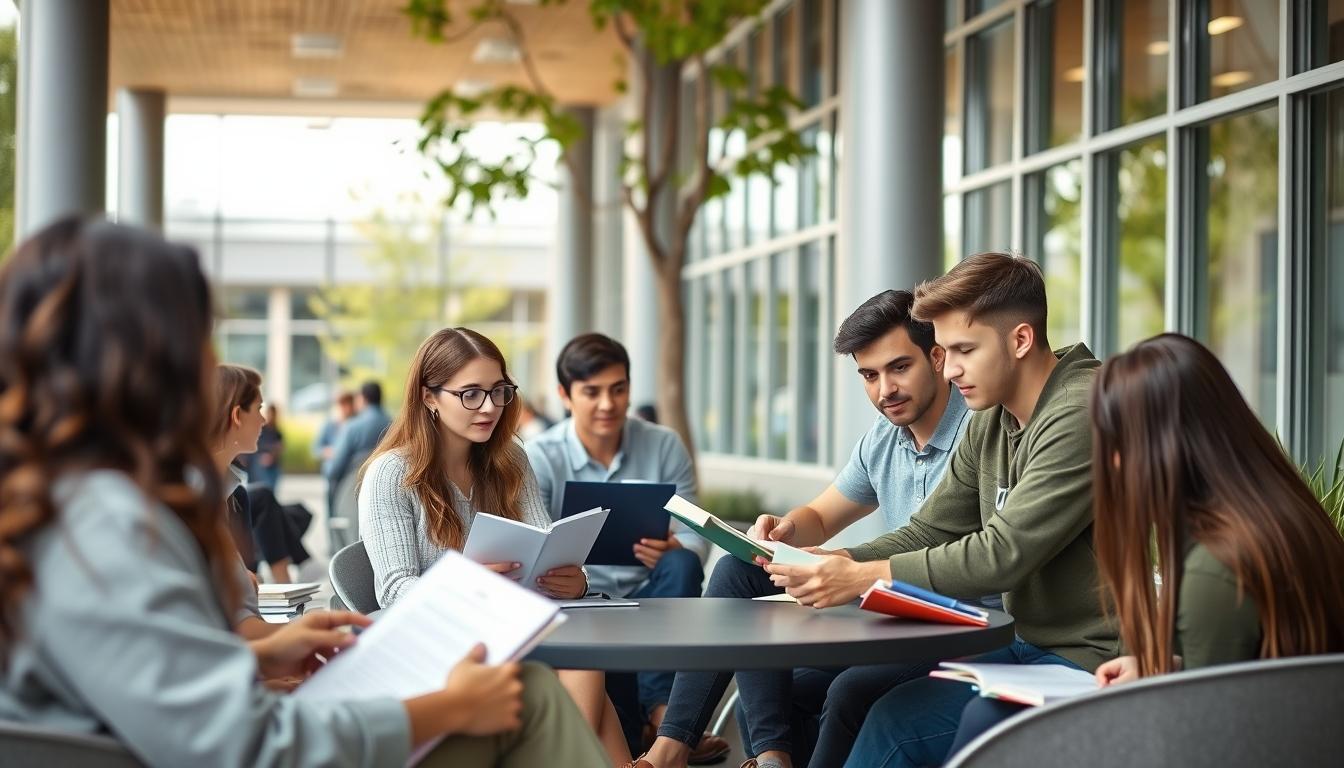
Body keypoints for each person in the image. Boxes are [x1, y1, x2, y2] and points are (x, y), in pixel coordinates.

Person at [0, 217, 608, 767]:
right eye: (198, 334)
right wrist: (446, 709)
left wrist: (261, 656)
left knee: (532, 693)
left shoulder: (67, 507)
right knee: (525, 697)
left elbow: (144, 686)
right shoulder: (109, 525)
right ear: (145, 357)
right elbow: (246, 746)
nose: (211, 359)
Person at [738, 252, 1113, 768]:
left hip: (1089, 660)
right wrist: (835, 563)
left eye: (963, 350)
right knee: (884, 714)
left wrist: (862, 576)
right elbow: (931, 529)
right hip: (1026, 646)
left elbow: (1001, 555)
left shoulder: (1079, 409)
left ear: (1021, 340)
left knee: (888, 724)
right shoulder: (994, 414)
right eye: (945, 351)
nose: (951, 369)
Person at [934, 333, 1344, 763]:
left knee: (994, 727)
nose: (1107, 463)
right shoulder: (1273, 519)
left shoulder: (1213, 572)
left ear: (1161, 447)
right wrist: (1164, 671)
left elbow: (1208, 740)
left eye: (1114, 443)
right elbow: (1255, 674)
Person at [631, 289, 972, 768]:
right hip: (886, 608)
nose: (884, 390)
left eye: (899, 368)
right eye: (869, 376)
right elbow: (823, 514)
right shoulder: (883, 438)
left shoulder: (977, 432)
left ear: (936, 358)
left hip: (947, 615)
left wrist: (846, 565)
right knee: (737, 571)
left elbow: (958, 551)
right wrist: (786, 528)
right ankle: (723, 754)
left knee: (843, 689)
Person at [359, 326, 631, 764]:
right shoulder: (392, 474)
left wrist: (574, 579)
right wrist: (462, 586)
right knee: (582, 675)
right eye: (470, 394)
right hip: (444, 642)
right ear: (429, 397)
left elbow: (547, 542)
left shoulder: (510, 459)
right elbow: (391, 592)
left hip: (513, 626)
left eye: (498, 391)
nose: (489, 407)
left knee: (582, 659)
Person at [526, 334, 724, 763]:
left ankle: (663, 715)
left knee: (681, 562)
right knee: (621, 732)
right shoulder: (539, 456)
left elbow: (696, 536)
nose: (607, 404)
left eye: (618, 389)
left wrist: (675, 543)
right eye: (591, 392)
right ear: (564, 395)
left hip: (655, 594)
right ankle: (661, 723)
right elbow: (536, 548)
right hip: (582, 605)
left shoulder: (664, 444)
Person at [213, 364, 310, 584]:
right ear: (237, 415)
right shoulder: (192, 498)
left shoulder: (235, 498)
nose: (263, 420)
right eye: (258, 409)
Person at [326, 380, 392, 492]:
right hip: (385, 486)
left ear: (363, 398)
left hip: (353, 488)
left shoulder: (353, 426)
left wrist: (328, 471)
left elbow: (335, 468)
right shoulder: (393, 425)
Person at [244, 403, 284, 489]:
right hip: (259, 463)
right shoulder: (262, 430)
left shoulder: (277, 432)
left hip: (273, 465)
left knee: (271, 490)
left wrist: (272, 455)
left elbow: (280, 447)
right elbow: (255, 445)